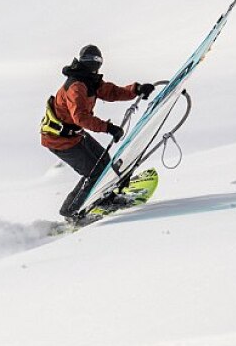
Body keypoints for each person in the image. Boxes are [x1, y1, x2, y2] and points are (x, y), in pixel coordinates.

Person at [40, 45, 155, 219]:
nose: (95, 65)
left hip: (74, 134)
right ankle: (71, 211)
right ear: (83, 61)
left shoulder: (89, 80)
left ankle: (106, 198)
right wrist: (108, 128)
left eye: (98, 62)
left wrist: (135, 90)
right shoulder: (77, 87)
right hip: (58, 140)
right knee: (93, 173)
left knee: (105, 163)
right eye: (93, 61)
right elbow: (81, 117)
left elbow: (111, 92)